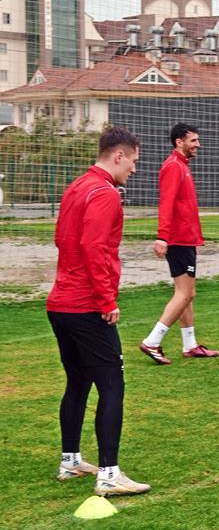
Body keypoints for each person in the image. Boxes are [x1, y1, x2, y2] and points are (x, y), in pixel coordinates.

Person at [47, 126, 150, 496]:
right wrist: (106, 301)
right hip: (86, 306)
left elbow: (63, 240)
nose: (135, 170)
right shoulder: (105, 193)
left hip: (60, 303)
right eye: (134, 161)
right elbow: (93, 248)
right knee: (112, 385)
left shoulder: (77, 186)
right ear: (118, 156)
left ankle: (70, 461)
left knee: (78, 382)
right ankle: (109, 474)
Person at [138, 123, 219, 364]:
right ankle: (153, 341)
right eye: (193, 140)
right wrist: (163, 236)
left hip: (186, 239)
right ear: (179, 142)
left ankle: (190, 345)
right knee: (185, 293)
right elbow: (166, 202)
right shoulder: (173, 167)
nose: (198, 145)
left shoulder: (181, 166)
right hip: (179, 240)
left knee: (187, 293)